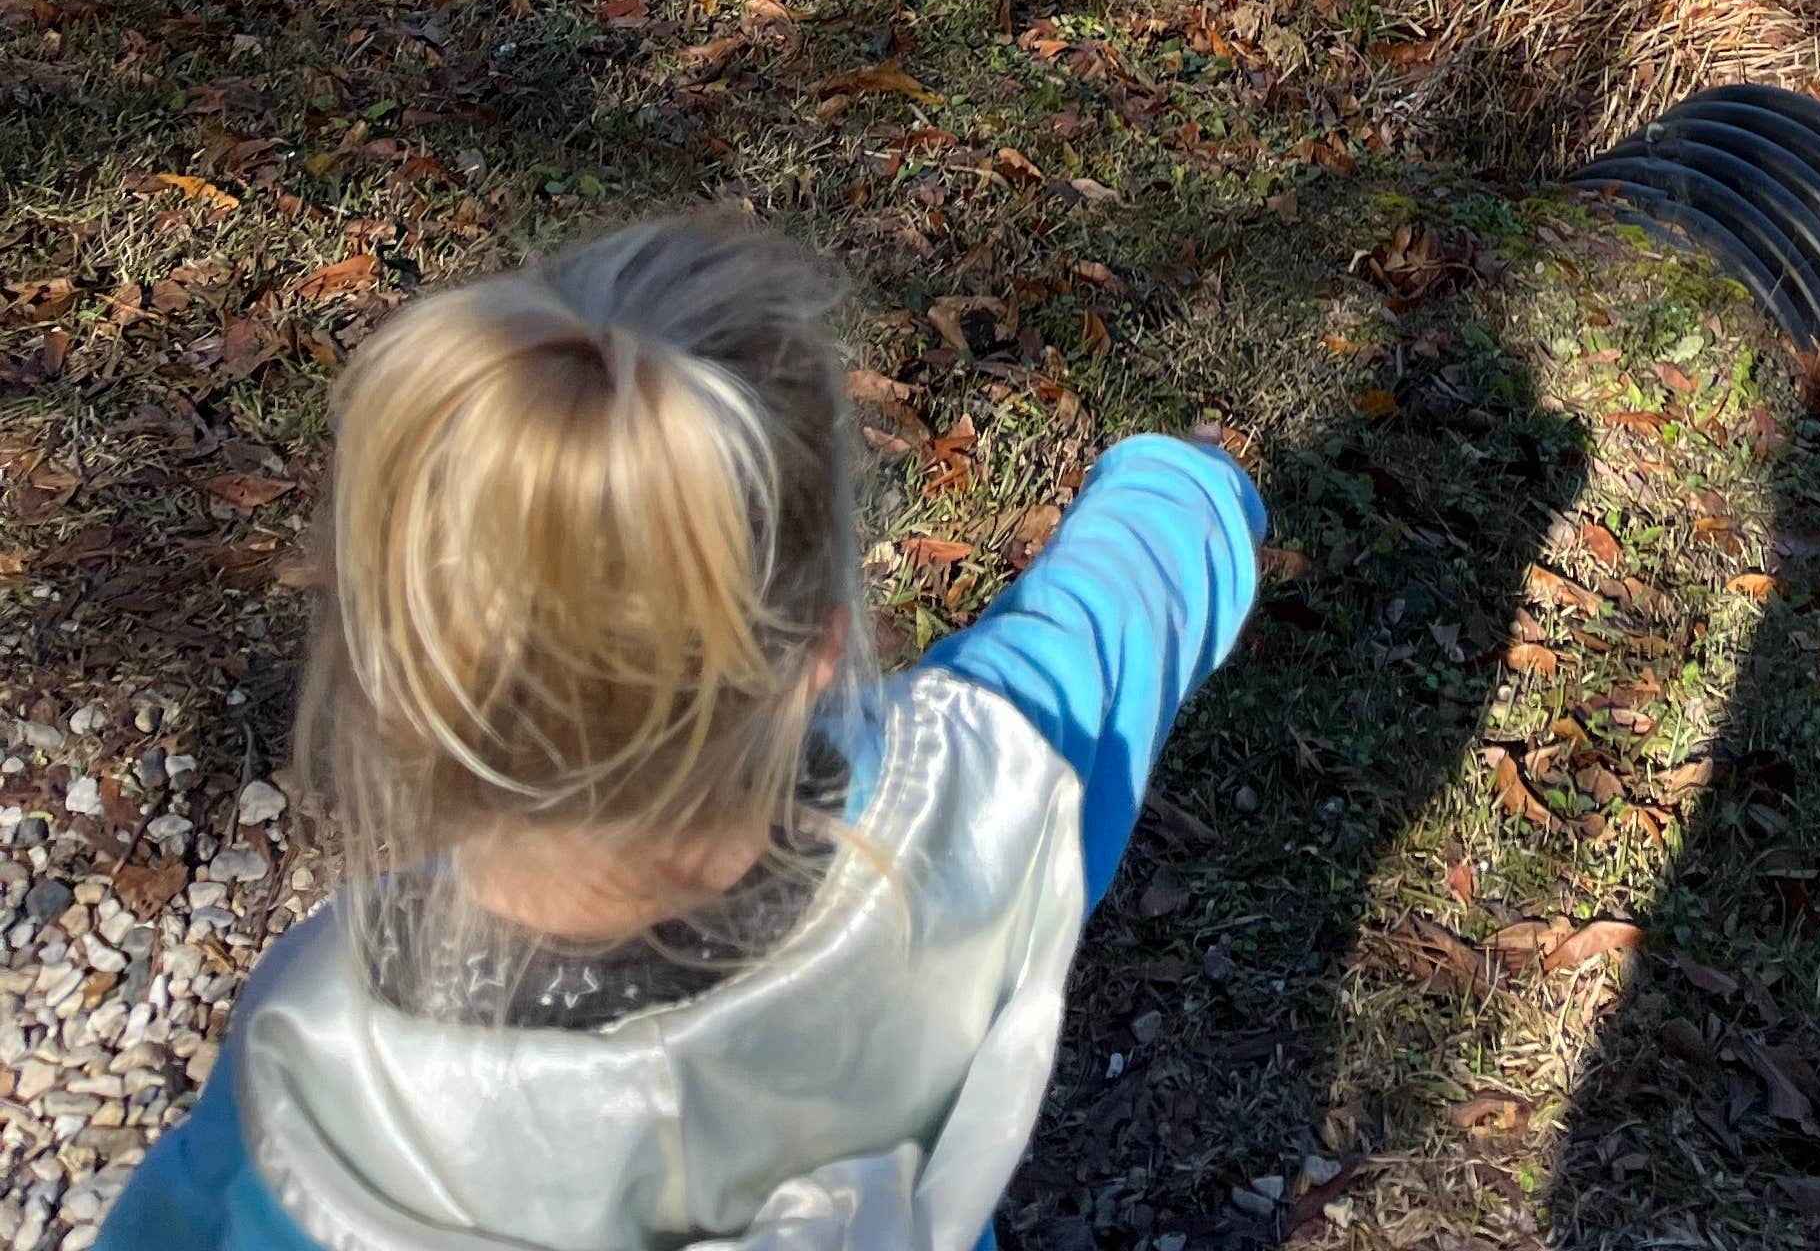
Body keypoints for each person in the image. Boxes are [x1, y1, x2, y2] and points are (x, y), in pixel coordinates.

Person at [100, 215, 1263, 1251]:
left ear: (407, 682)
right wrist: (1193, 483)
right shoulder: (972, 795)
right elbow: (1110, 617)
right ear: (820, 644)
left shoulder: (318, 1089)